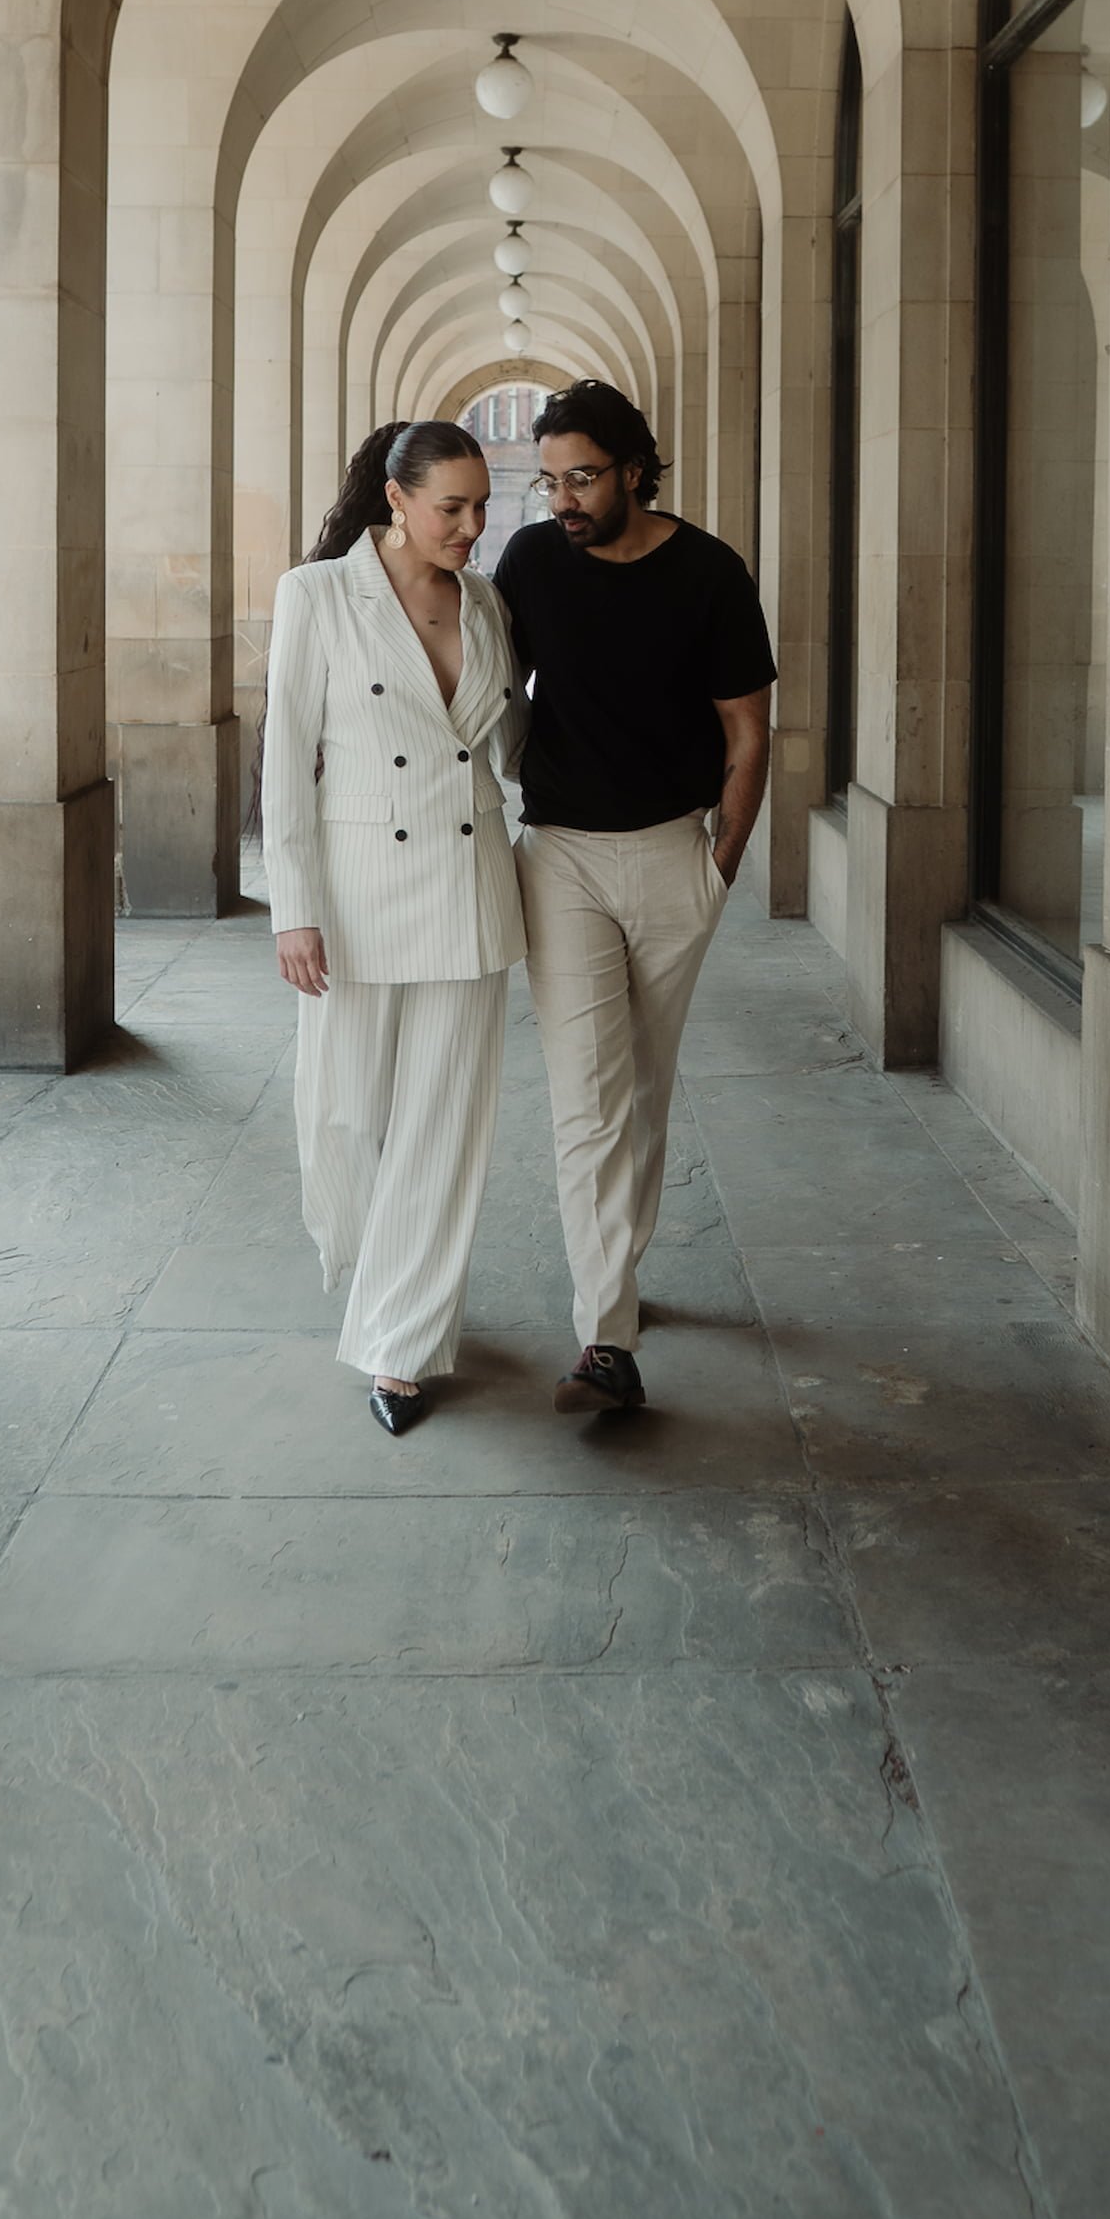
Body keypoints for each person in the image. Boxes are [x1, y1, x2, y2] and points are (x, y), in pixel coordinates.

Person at [493, 380, 774, 1416]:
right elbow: (477, 675)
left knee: (641, 1084)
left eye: (582, 477)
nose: (561, 498)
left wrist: (719, 865)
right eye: (549, 478)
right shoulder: (527, 560)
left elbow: (748, 736)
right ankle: (604, 1336)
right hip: (558, 855)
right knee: (586, 1092)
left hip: (670, 855)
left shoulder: (708, 573)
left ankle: (620, 1274)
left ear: (633, 470)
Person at [261, 420, 525, 1438]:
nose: (472, 525)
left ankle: (400, 1345)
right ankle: (380, 1273)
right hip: (358, 893)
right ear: (395, 498)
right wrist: (295, 910)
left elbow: (511, 744)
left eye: (481, 505)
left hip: (468, 884)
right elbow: (286, 761)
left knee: (443, 1127)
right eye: (451, 506)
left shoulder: (488, 601)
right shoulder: (317, 594)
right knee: (343, 1116)